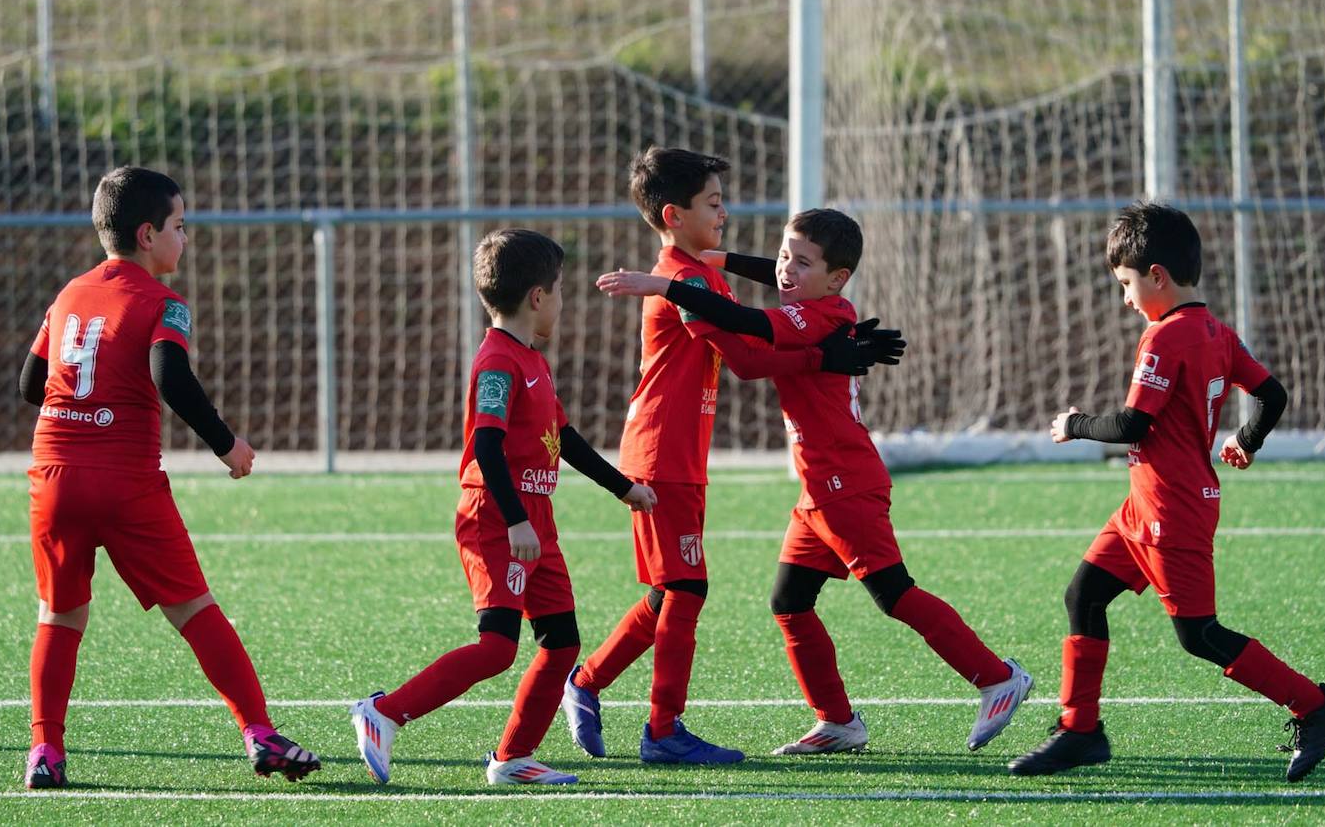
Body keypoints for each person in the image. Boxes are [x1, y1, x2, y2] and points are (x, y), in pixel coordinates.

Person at [596, 207, 1031, 757]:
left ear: (837, 279)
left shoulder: (815, 315)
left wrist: (663, 285)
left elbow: (748, 325)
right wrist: (722, 259)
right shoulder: (812, 301)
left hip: (846, 481)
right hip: (818, 490)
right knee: (791, 600)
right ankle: (838, 721)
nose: (786, 271)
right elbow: (780, 276)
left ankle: (996, 678)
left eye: (802, 263)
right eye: (784, 256)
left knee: (894, 593)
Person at [561, 148, 902, 765]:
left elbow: (781, 282)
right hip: (662, 451)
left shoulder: (701, 272)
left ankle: (586, 685)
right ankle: (662, 731)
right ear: (675, 214)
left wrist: (835, 335)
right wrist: (828, 355)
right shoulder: (686, 280)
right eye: (713, 203)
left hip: (681, 452)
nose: (725, 212)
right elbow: (746, 359)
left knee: (672, 592)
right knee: (686, 588)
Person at [1007, 201, 1325, 781]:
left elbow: (1132, 424)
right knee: (1083, 596)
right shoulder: (1217, 331)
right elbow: (1275, 394)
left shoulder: (1164, 338)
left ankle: (1316, 705)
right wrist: (1247, 438)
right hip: (1144, 506)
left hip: (1173, 509)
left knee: (1199, 634)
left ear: (1157, 276)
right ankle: (1079, 730)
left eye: (1126, 284)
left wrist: (1074, 424)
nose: (1125, 299)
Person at [19, 166, 320, 789]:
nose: (187, 238)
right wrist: (226, 444)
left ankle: (45, 753)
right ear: (148, 233)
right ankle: (260, 734)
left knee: (59, 616)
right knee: (196, 610)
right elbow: (171, 378)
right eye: (181, 227)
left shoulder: (68, 294)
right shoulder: (163, 302)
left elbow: (30, 385)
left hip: (53, 476)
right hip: (125, 480)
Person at [350, 228, 657, 786]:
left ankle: (513, 757)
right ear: (537, 297)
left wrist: (623, 487)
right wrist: (516, 520)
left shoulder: (531, 359)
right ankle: (383, 713)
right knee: (496, 646)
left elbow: (565, 439)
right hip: (497, 518)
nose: (562, 301)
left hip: (535, 521)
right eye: (559, 290)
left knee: (562, 642)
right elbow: (486, 447)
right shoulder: (498, 362)